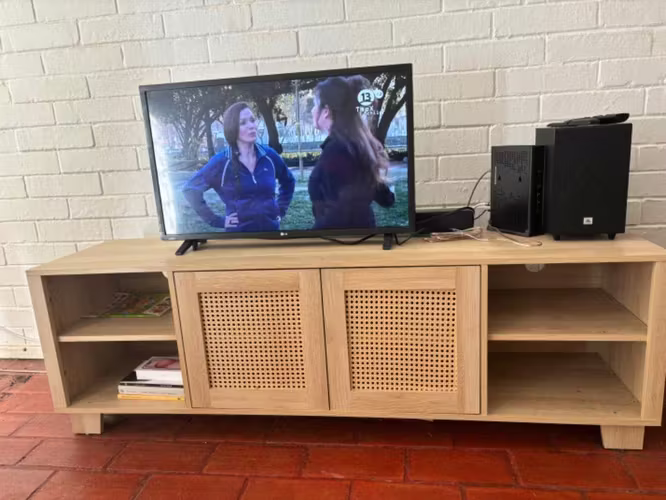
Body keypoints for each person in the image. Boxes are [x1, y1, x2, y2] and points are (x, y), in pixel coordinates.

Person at [183, 102, 295, 232]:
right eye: (243, 123)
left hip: (271, 234)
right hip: (239, 237)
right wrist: (216, 220)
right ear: (232, 129)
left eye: (252, 120)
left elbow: (288, 181)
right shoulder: (221, 162)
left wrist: (280, 209)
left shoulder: (269, 156)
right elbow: (190, 189)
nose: (251, 126)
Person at [308, 76, 395, 230]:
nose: (312, 110)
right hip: (359, 236)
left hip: (345, 240)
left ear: (326, 111)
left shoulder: (337, 150)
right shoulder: (353, 146)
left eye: (315, 104)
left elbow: (338, 213)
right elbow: (385, 198)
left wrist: (310, 238)